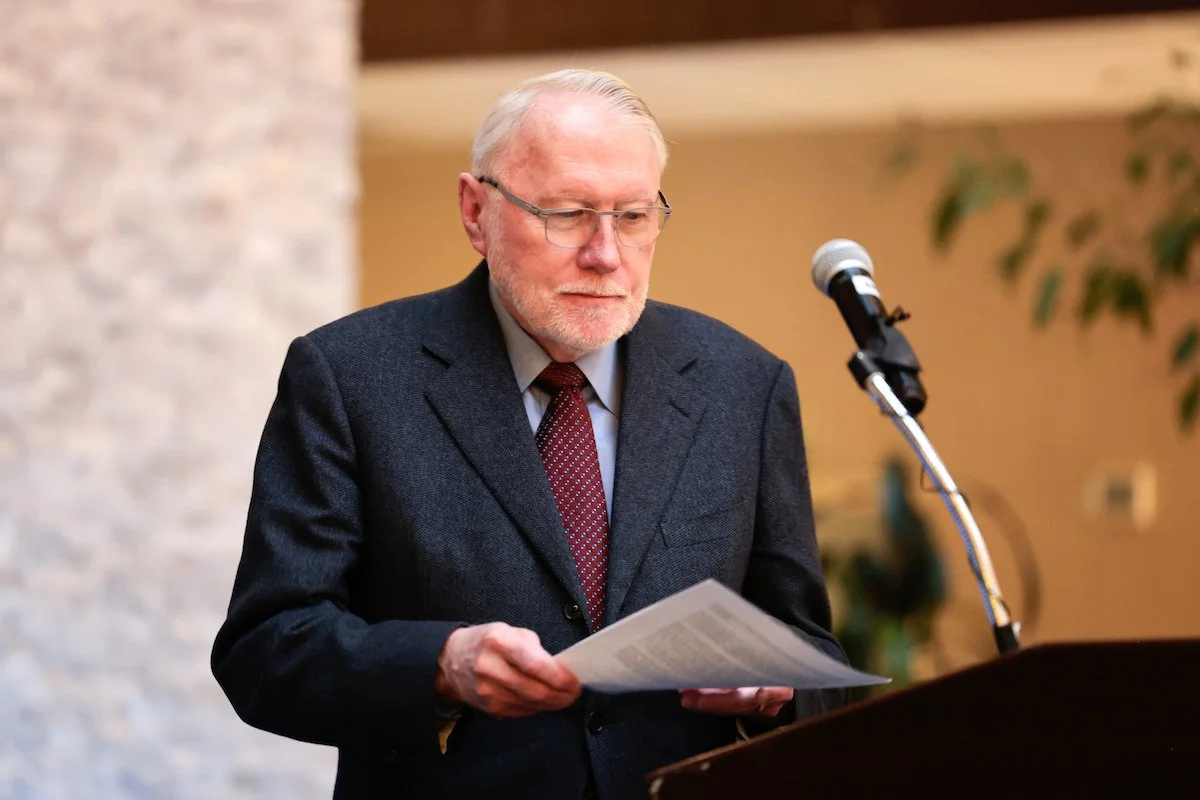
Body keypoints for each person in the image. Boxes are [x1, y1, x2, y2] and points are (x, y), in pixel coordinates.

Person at [211, 68, 846, 800]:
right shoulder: (350, 377)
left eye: (634, 216)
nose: (606, 253)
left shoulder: (745, 386)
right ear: (475, 211)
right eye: (568, 213)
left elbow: (811, 652)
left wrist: (777, 690)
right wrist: (440, 663)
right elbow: (266, 650)